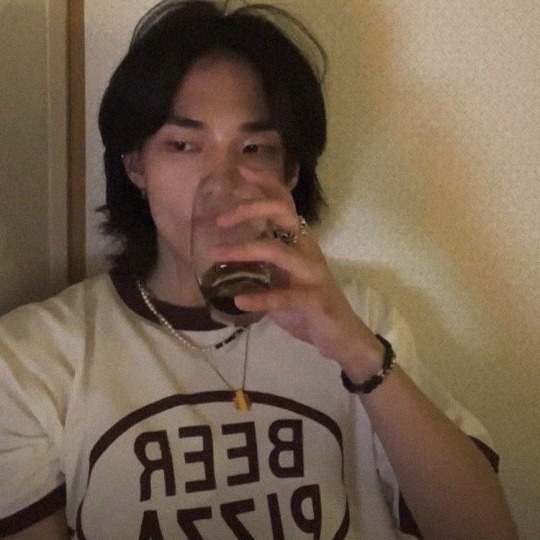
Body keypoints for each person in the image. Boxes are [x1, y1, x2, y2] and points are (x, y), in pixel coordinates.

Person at [0, 1, 518, 538]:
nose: (221, 182)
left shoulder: (360, 318)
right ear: (136, 164)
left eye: (253, 148)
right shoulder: (34, 361)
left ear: (290, 171)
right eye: (183, 144)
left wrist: (357, 351)